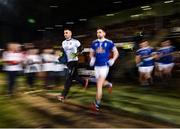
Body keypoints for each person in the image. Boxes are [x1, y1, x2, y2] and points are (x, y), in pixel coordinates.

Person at [89, 28, 119, 111]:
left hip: (104, 67)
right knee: (100, 83)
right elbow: (91, 53)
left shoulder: (109, 42)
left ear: (104, 33)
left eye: (100, 32)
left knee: (99, 85)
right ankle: (109, 84)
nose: (98, 34)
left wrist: (113, 59)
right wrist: (92, 58)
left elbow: (116, 53)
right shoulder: (94, 42)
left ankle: (97, 104)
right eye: (97, 32)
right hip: (96, 67)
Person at [57, 29, 88, 102]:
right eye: (64, 33)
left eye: (66, 33)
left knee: (69, 78)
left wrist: (75, 54)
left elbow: (82, 49)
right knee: (74, 76)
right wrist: (60, 57)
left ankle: (63, 95)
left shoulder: (75, 41)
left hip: (74, 61)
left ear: (70, 33)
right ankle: (84, 82)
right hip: (68, 62)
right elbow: (62, 51)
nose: (65, 34)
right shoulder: (63, 42)